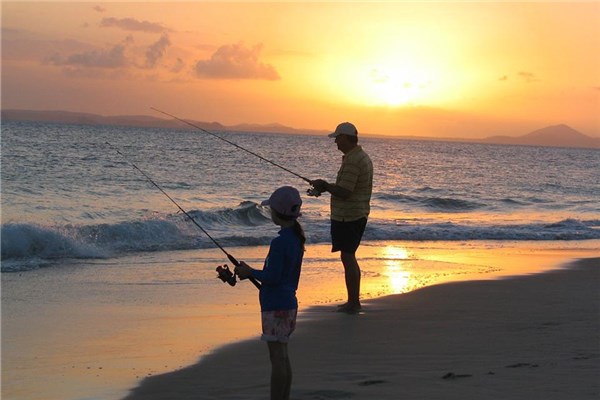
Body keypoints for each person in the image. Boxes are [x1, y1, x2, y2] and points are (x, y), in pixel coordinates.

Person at [234, 186, 305, 400]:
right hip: (288, 304)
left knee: (277, 359)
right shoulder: (295, 239)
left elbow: (272, 277)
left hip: (275, 307)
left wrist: (249, 272)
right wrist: (252, 273)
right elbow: (280, 276)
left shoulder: (279, 241)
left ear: (276, 213)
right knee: (283, 356)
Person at [311, 122, 373, 314]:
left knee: (347, 256)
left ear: (346, 138)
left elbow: (345, 192)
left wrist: (325, 185)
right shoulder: (356, 157)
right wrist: (326, 187)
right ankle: (353, 301)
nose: (335, 142)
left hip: (350, 216)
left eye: (337, 138)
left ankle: (353, 303)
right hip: (354, 214)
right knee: (348, 256)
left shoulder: (354, 161)